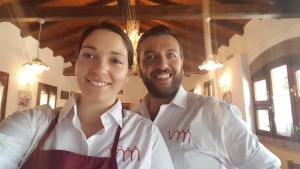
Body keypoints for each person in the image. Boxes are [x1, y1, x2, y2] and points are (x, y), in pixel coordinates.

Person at [0, 22, 174, 169]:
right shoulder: (33, 123)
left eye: (115, 60)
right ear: (76, 63)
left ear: (128, 72)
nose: (99, 69)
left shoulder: (146, 134)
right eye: (89, 55)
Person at [135, 25, 281, 169]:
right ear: (139, 66)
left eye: (171, 55)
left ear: (181, 61)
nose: (162, 65)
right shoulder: (130, 120)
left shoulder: (218, 114)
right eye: (150, 57)